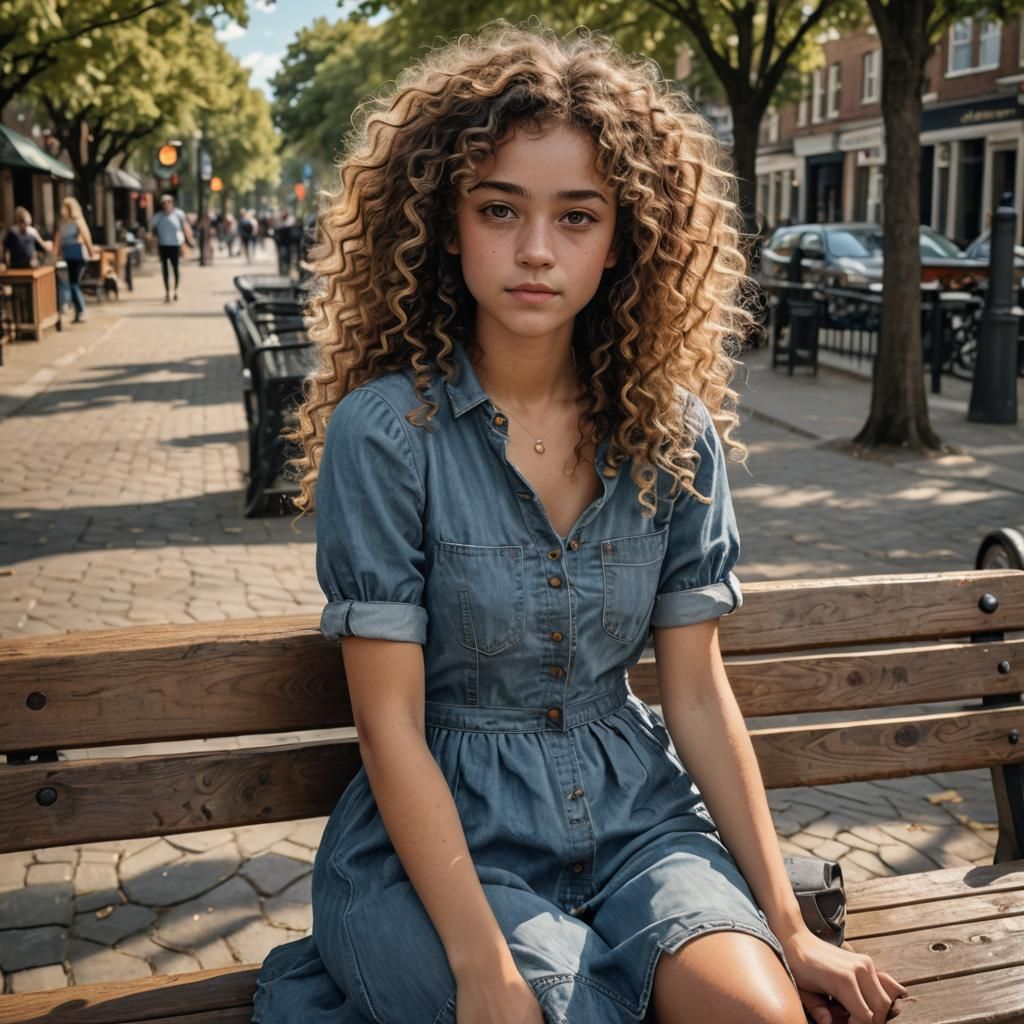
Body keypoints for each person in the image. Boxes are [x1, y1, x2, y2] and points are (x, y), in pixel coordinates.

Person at [251, 24, 909, 1024]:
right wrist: (482, 968)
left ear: (623, 237)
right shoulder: (386, 434)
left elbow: (694, 693)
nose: (534, 250)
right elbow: (388, 727)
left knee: (761, 1016)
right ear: (446, 221)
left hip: (633, 820)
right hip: (444, 843)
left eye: (576, 215)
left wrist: (788, 920)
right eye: (499, 209)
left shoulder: (671, 431)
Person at [56, 196, 95, 324]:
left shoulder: (70, 222)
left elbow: (85, 237)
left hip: (73, 255)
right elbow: (59, 238)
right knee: (73, 283)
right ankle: (79, 310)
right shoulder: (69, 222)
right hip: (73, 255)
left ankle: (80, 310)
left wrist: (90, 251)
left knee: (73, 283)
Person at [150, 193, 193, 303]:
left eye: (168, 202)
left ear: (172, 203)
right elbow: (152, 231)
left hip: (175, 245)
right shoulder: (158, 217)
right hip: (163, 246)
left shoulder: (179, 214)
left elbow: (185, 227)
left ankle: (176, 290)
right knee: (165, 270)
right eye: (164, 203)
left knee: (175, 269)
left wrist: (188, 241)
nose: (166, 205)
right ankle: (167, 292)